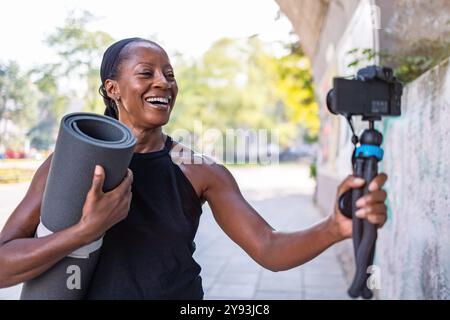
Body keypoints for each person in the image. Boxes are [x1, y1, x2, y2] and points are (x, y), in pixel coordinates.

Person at [0, 38, 388, 299]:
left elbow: (268, 247)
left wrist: (336, 227)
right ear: (112, 88)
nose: (164, 83)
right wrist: (85, 232)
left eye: (169, 75)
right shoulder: (68, 167)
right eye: (146, 73)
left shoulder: (200, 171)